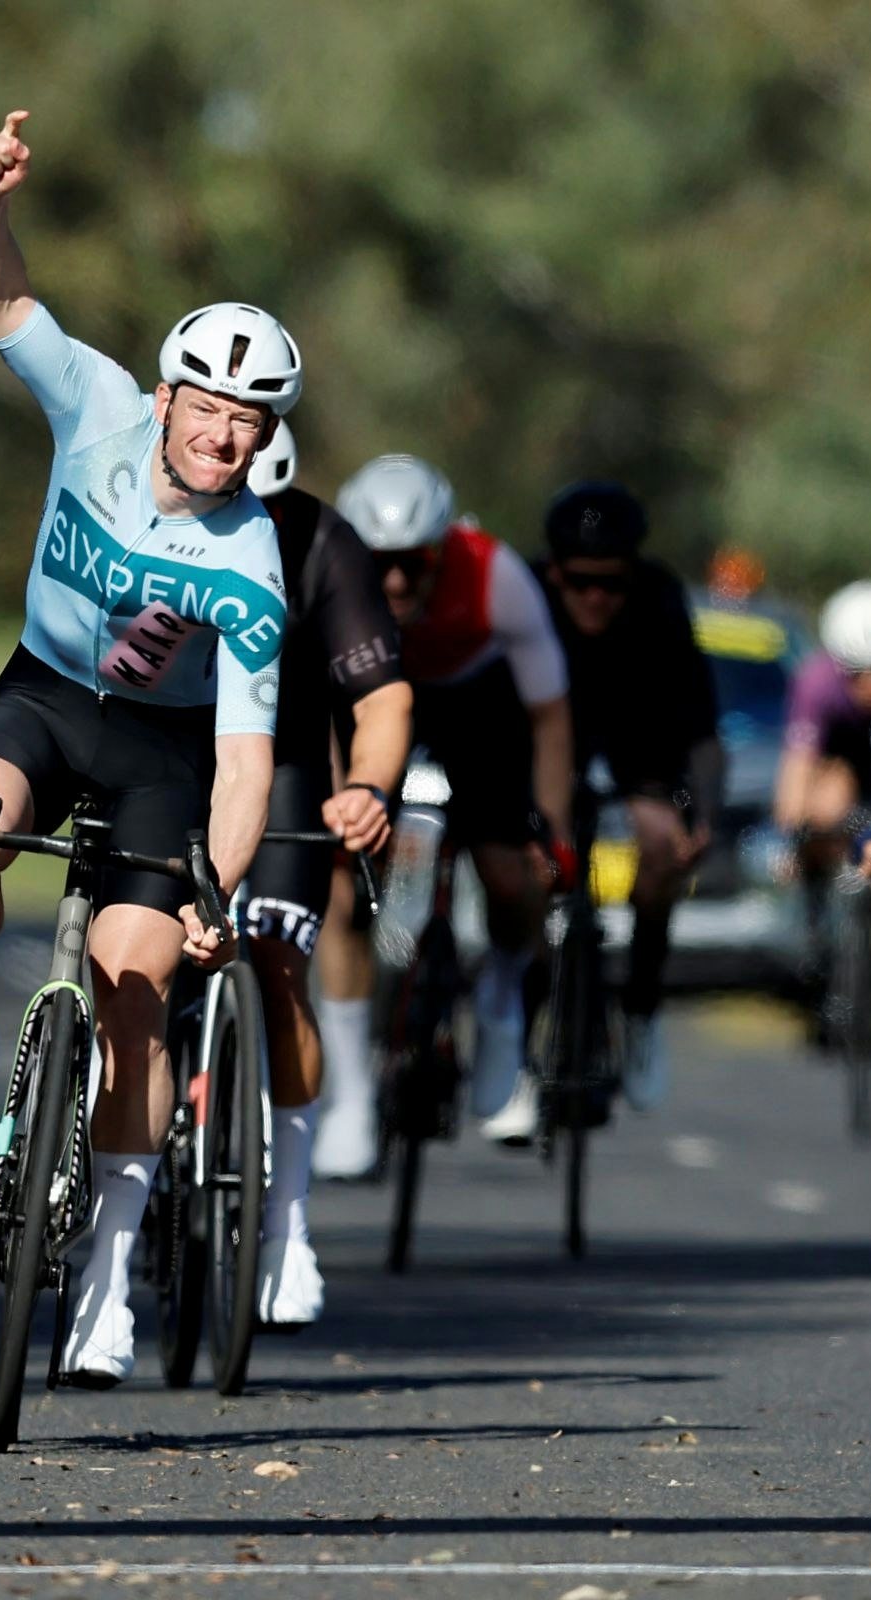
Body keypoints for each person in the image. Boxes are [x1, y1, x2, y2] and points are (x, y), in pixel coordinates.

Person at [0, 110, 294, 1387]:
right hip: (45, 691)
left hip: (162, 752)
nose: (224, 436)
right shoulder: (96, 404)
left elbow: (244, 762)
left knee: (135, 991)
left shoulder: (252, 563)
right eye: (210, 407)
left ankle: (109, 1275)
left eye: (251, 421)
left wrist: (214, 892)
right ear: (168, 395)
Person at [322, 454, 573, 1151]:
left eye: (416, 562)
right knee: (342, 883)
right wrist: (339, 803)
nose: (397, 581)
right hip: (371, 696)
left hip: (476, 703)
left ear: (445, 546)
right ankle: (350, 1097)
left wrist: (553, 828)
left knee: (510, 875)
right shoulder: (329, 574)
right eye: (381, 564)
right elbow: (316, 708)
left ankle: (501, 997)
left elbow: (549, 713)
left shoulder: (497, 575)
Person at [235, 426, 411, 1324]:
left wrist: (370, 788)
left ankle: (288, 1224)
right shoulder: (149, 516)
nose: (250, 524)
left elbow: (381, 697)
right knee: (133, 949)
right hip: (169, 751)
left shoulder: (326, 542)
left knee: (277, 961)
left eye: (268, 509)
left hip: (285, 753)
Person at [531, 480, 719, 1113]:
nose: (596, 598)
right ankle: (525, 1028)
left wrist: (701, 815)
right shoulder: (527, 595)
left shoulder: (660, 598)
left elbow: (699, 724)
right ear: (553, 571)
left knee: (663, 844)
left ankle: (641, 1008)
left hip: (637, 737)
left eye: (611, 583)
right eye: (579, 582)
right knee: (532, 861)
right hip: (548, 734)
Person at [774, 580, 871, 856]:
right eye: (857, 673)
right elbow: (797, 768)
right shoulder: (816, 682)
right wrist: (791, 838)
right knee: (828, 802)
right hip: (840, 757)